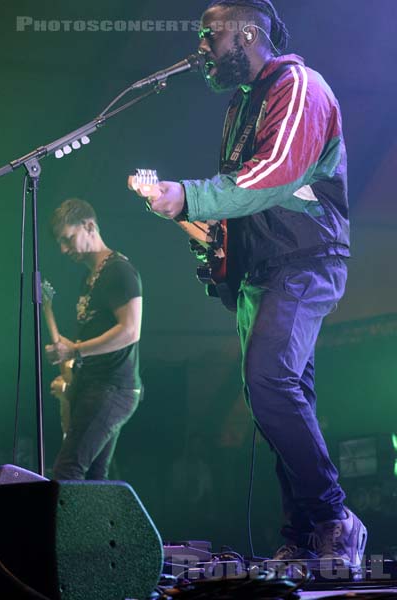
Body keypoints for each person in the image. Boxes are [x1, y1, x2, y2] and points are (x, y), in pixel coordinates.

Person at [128, 0, 367, 565]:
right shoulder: (242, 107)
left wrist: (186, 192)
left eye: (211, 35)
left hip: (305, 260)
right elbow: (239, 200)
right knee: (280, 397)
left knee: (270, 382)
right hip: (263, 269)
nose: (202, 47)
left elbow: (274, 174)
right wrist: (181, 214)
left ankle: (334, 516)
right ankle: (304, 535)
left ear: (249, 33)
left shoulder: (300, 86)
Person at [45, 198, 142, 480]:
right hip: (96, 386)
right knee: (94, 480)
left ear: (89, 226)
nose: (63, 249)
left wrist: (74, 350)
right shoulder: (91, 277)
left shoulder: (119, 271)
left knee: (67, 472)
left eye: (68, 239)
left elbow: (130, 330)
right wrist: (67, 350)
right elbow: (94, 333)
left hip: (112, 389)